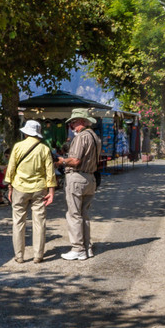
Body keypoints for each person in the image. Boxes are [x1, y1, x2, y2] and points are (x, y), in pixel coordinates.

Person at [6, 119, 57, 264]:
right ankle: (38, 255)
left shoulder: (18, 147)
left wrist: (10, 187)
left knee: (18, 222)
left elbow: (11, 168)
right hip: (39, 188)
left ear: (26, 132)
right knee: (39, 222)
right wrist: (51, 191)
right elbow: (50, 171)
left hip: (19, 187)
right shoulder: (44, 149)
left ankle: (19, 256)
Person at [55, 109, 101, 260]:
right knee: (84, 215)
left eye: (73, 122)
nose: (71, 125)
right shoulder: (95, 137)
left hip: (77, 177)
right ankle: (87, 247)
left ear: (82, 121)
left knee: (74, 214)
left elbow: (75, 161)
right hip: (90, 178)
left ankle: (78, 248)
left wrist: (62, 161)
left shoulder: (81, 137)